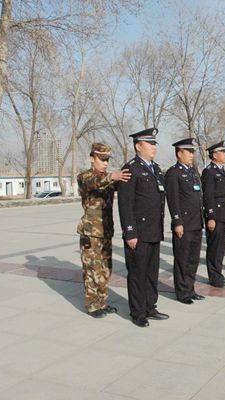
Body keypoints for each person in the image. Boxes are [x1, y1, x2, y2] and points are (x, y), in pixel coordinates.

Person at [118, 128, 169, 327]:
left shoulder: (155, 168)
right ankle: (137, 312)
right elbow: (125, 203)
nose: (154, 146)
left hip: (154, 231)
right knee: (137, 273)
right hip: (138, 232)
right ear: (139, 146)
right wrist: (129, 231)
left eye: (155, 143)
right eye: (151, 143)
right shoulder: (131, 169)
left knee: (151, 272)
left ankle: (150, 306)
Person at [77, 143, 131, 318]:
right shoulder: (85, 177)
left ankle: (102, 301)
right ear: (92, 158)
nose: (105, 163)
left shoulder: (108, 179)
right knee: (92, 270)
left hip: (106, 231)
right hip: (91, 233)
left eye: (107, 160)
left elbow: (121, 186)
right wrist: (113, 177)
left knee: (105, 269)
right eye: (102, 159)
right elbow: (95, 182)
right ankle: (93, 305)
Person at [165, 138, 205, 305]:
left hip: (196, 222)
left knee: (193, 259)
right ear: (179, 153)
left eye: (192, 152)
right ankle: (182, 292)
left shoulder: (193, 172)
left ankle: (190, 288)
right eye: (189, 152)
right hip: (184, 224)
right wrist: (177, 222)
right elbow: (173, 200)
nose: (192, 155)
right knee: (182, 258)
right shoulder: (173, 173)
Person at [201, 140, 225, 288]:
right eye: (223, 152)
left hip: (224, 213)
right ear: (214, 155)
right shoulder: (209, 172)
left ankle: (218, 273)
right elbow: (208, 196)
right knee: (214, 247)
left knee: (221, 247)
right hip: (216, 214)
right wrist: (211, 216)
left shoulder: (221, 170)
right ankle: (214, 277)